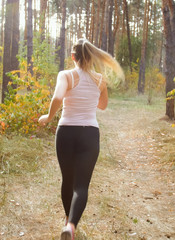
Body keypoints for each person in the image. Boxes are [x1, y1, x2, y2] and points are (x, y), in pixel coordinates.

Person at [38, 38, 124, 240]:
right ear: (92, 58)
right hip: (89, 134)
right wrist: (89, 98)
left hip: (66, 132)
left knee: (67, 180)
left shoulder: (66, 75)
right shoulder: (100, 80)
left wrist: (48, 117)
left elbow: (58, 97)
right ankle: (71, 226)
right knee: (81, 185)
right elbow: (102, 106)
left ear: (73, 56)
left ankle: (67, 220)